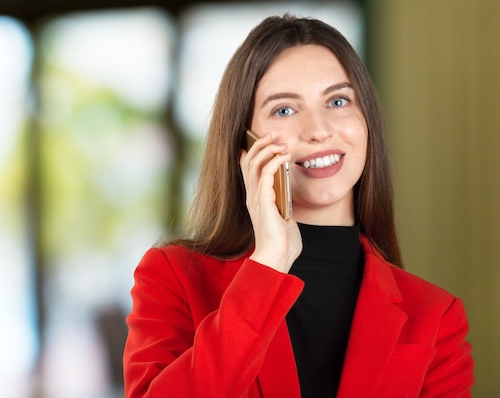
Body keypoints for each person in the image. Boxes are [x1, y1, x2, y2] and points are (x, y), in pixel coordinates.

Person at [123, 14, 474, 397]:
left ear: (367, 121)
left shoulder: (436, 316)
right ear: (245, 143)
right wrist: (269, 263)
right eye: (284, 110)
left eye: (338, 101)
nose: (318, 130)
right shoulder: (173, 277)